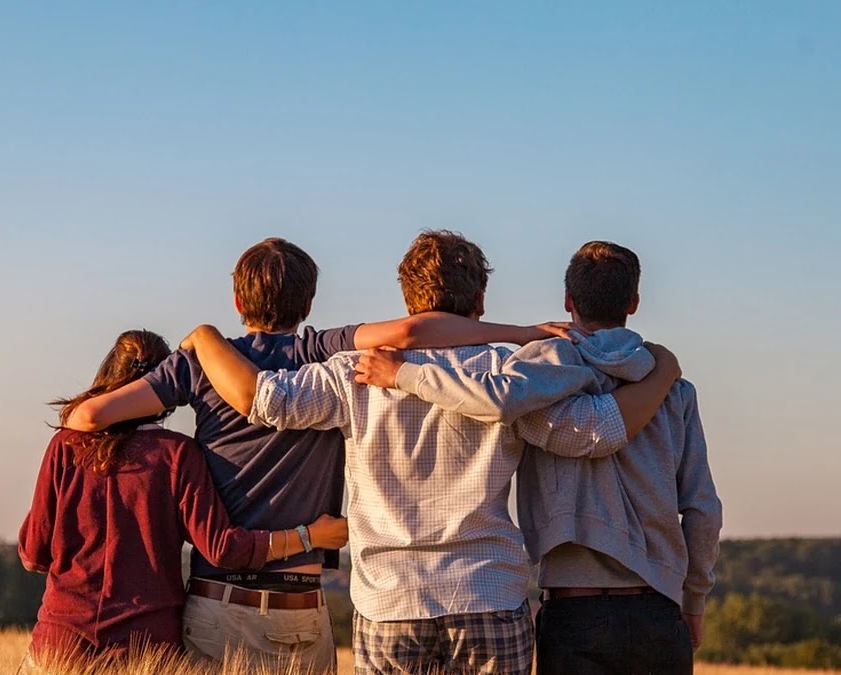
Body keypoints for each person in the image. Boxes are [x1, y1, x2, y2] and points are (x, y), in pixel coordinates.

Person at [181, 230, 684, 675]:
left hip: (390, 600)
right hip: (487, 593)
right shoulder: (507, 375)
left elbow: (266, 401)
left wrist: (204, 338)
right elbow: (588, 434)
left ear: (407, 300)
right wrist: (661, 372)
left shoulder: (354, 371)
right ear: (481, 300)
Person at [64, 237, 571, 672]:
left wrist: (200, 341)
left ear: (237, 301)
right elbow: (414, 333)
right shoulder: (323, 351)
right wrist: (522, 334)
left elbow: (89, 419)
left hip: (232, 601)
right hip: (320, 605)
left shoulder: (207, 365)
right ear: (308, 303)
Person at [356, 240, 723, 674]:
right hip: (659, 611)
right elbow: (703, 510)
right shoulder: (674, 391)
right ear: (634, 302)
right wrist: (693, 599)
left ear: (568, 301)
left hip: (574, 610)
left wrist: (404, 374)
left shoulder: (536, 377)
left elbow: (499, 401)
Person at [18, 329, 349, 660]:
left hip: (60, 644)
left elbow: (34, 554)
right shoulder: (177, 455)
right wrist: (310, 536)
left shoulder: (65, 445)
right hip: (145, 649)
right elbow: (222, 548)